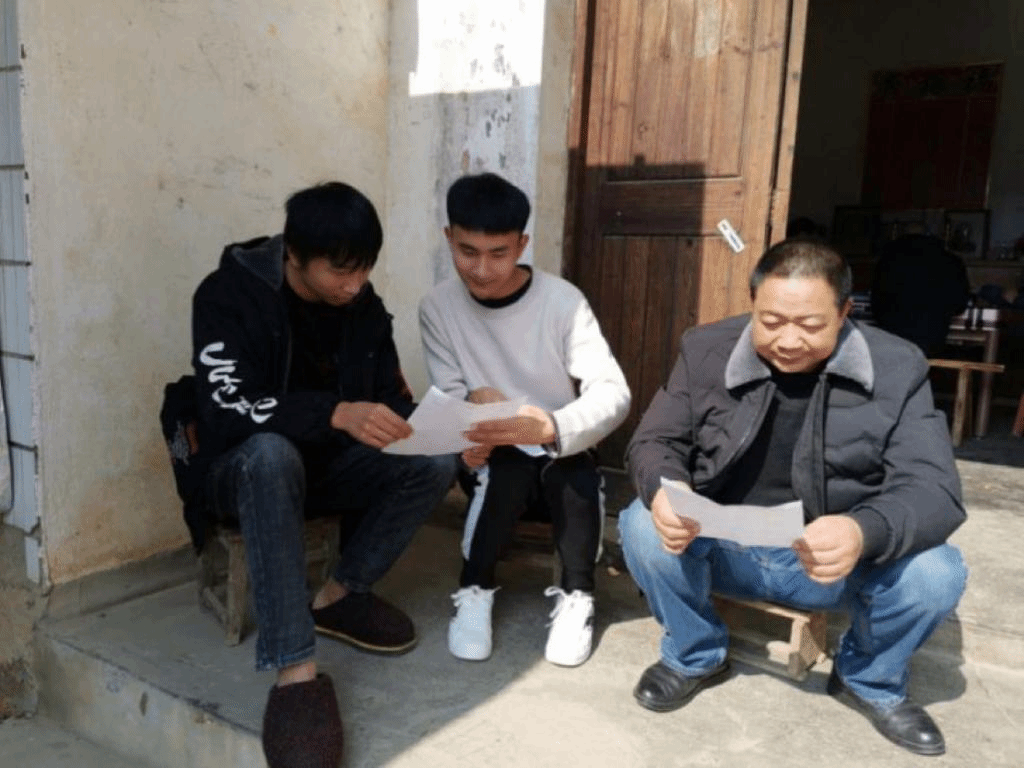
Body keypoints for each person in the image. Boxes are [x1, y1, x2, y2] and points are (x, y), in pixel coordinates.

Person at [618, 239, 967, 757]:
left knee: (936, 572)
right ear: (752, 303)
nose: (788, 340)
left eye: (809, 325)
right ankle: (694, 654)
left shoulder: (896, 366)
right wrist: (669, 490)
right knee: (641, 522)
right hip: (724, 549)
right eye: (772, 321)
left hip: (831, 566)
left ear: (845, 313)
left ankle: (869, 680)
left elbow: (934, 487)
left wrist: (861, 530)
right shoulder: (707, 349)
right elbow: (655, 441)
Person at [188, 182, 455, 767]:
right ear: (294, 254)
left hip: (326, 469)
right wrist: (332, 412)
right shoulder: (228, 295)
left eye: (364, 269)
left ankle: (338, 594)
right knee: (271, 454)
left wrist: (448, 428)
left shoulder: (362, 308)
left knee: (436, 459)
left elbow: (390, 399)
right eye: (340, 270)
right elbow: (225, 411)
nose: (354, 285)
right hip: (243, 470)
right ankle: (295, 671)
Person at [419, 172, 630, 667]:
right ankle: (474, 589)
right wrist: (468, 424)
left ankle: (578, 595)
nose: (482, 269)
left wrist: (553, 427)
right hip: (494, 458)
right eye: (467, 251)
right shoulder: (437, 308)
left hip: (557, 443)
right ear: (448, 237)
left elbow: (613, 391)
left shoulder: (562, 301)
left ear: (522, 244)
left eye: (499, 253)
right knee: (508, 468)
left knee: (573, 470)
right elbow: (449, 396)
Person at [870, 233, 970, 357]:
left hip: (890, 342)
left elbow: (876, 306)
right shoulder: (952, 262)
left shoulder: (887, 260)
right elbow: (960, 305)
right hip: (930, 344)